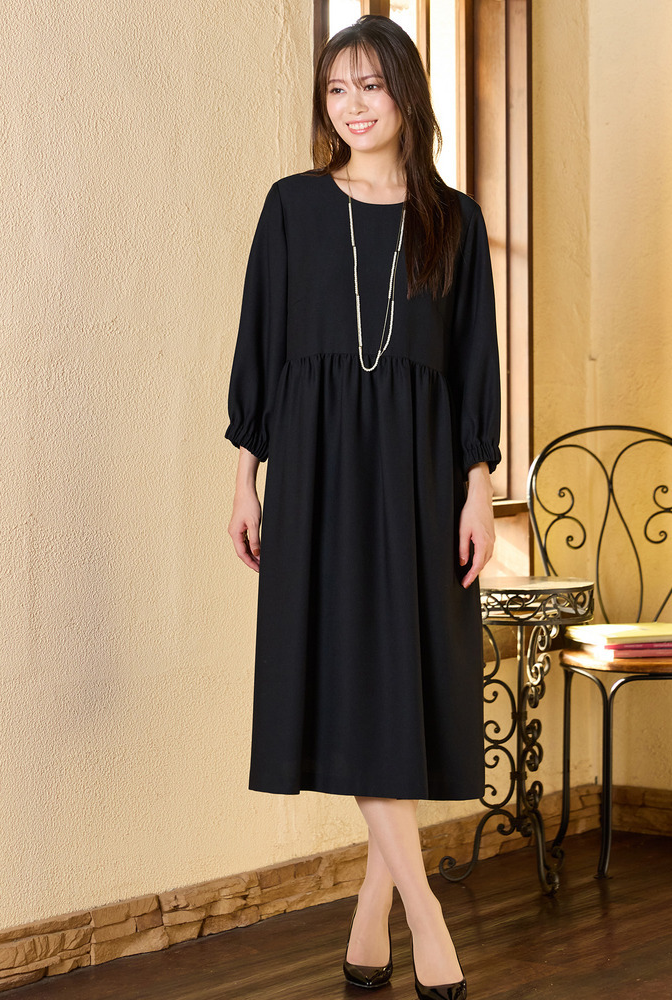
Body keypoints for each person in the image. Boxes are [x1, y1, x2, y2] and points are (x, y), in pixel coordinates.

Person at [225, 15, 499, 1000]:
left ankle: (374, 911)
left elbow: (474, 364)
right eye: (337, 89)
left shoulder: (455, 220)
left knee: (402, 685)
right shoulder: (292, 207)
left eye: (371, 86)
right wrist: (246, 476)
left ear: (405, 96)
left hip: (422, 477)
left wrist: (478, 489)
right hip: (316, 472)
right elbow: (260, 345)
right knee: (346, 680)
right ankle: (426, 915)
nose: (353, 106)